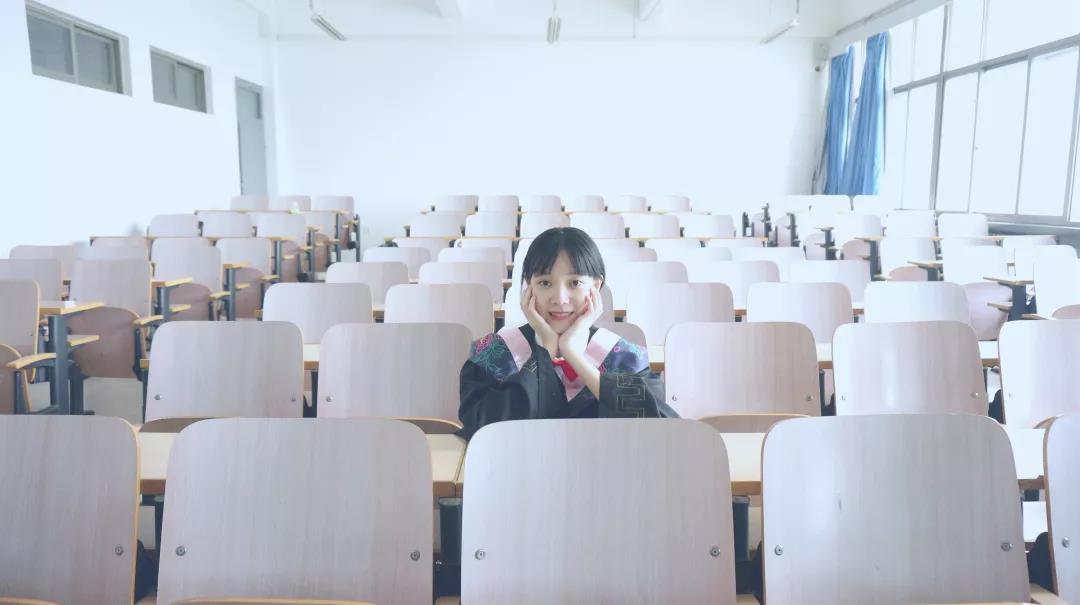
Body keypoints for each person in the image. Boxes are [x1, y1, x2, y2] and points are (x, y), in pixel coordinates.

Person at [458, 227, 675, 439]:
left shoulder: (625, 358)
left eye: (575, 283)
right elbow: (483, 432)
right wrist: (544, 352)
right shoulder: (494, 354)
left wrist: (574, 355)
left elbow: (660, 433)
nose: (560, 299)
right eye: (545, 283)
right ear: (528, 287)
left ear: (596, 286)